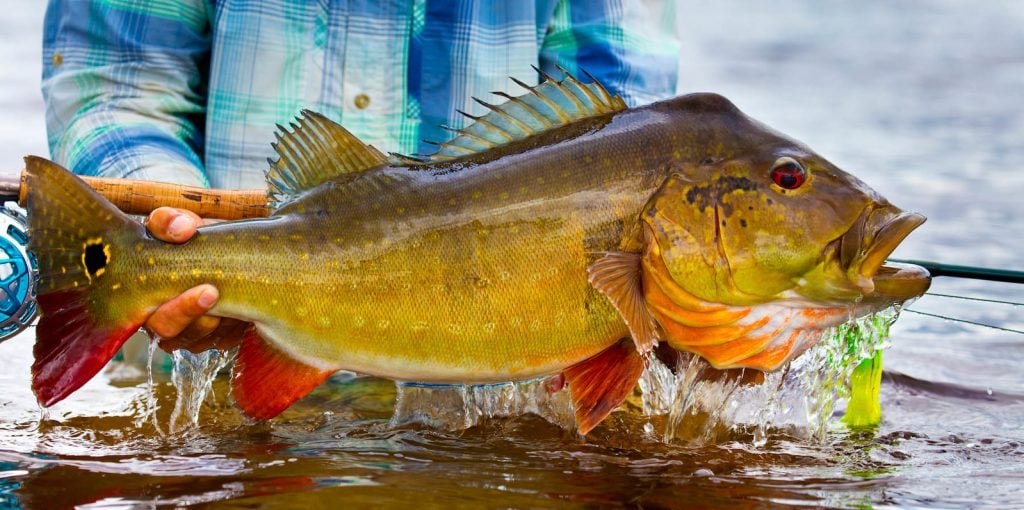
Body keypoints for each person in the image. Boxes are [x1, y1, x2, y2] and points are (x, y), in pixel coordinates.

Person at [42, 0, 681, 351]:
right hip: (214, 369)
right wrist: (171, 233)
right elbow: (116, 86)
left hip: (499, 408)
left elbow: (627, 130)